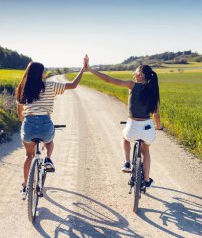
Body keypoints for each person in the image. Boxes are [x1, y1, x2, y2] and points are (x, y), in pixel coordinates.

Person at [16, 57, 88, 197]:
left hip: (29, 125)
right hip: (45, 124)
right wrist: (82, 70)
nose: (45, 74)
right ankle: (48, 158)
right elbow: (73, 85)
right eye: (44, 72)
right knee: (49, 141)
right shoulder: (50, 86)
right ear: (40, 74)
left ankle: (26, 186)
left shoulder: (22, 88)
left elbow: (20, 114)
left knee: (29, 155)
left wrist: (26, 124)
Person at [85, 58, 162, 187]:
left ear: (141, 75)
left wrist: (90, 69)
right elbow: (156, 114)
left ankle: (127, 162)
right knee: (145, 151)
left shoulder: (132, 85)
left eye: (136, 72)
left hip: (132, 126)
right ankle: (147, 180)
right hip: (147, 127)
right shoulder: (153, 90)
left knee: (125, 138)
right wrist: (159, 127)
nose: (133, 74)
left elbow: (108, 79)